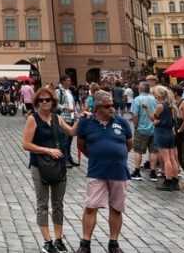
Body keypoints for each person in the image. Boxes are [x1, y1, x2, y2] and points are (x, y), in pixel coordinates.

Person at [23, 87, 79, 253]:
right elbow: (26, 144)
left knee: (58, 204)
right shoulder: (33, 119)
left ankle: (59, 239)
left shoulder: (57, 118)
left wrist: (80, 119)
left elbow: (71, 132)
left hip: (58, 165)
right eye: (41, 100)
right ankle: (47, 241)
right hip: (40, 166)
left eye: (48, 100)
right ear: (36, 102)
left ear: (53, 102)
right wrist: (48, 150)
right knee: (42, 204)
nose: (44, 102)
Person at [75, 91, 132, 253]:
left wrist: (116, 154)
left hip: (118, 171)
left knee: (116, 207)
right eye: (108, 106)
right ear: (98, 107)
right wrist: (97, 155)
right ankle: (85, 243)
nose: (112, 108)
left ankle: (113, 243)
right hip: (96, 170)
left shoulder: (122, 122)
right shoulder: (86, 124)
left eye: (112, 104)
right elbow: (81, 145)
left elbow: (129, 144)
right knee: (91, 206)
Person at [128, 81, 157, 182]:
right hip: (154, 128)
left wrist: (136, 126)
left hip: (141, 128)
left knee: (138, 151)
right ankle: (153, 172)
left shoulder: (137, 99)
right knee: (153, 151)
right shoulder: (154, 99)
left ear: (140, 89)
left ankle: (137, 171)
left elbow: (135, 115)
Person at [151, 85, 178, 191]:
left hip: (161, 132)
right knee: (172, 158)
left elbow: (154, 118)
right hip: (170, 133)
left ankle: (168, 181)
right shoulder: (171, 105)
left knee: (166, 159)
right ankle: (175, 181)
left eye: (154, 94)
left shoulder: (160, 106)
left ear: (158, 95)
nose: (154, 96)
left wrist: (155, 121)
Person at [56, 76, 79, 167]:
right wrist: (65, 108)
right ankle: (65, 160)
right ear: (62, 81)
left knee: (69, 141)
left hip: (71, 118)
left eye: (70, 80)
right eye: (68, 80)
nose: (69, 82)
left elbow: (73, 105)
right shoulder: (58, 91)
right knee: (64, 141)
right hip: (64, 118)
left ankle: (69, 158)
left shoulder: (69, 92)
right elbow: (56, 104)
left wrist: (76, 115)